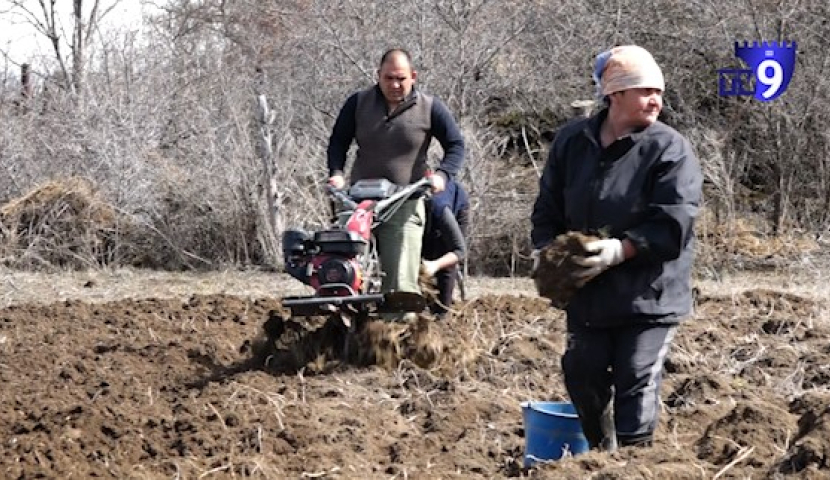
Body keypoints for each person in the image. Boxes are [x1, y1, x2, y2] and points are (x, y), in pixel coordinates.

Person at [530, 45, 703, 451]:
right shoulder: (575, 141)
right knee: (580, 372)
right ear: (615, 95)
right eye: (644, 91)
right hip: (589, 291)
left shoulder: (669, 149)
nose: (656, 100)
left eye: (659, 91)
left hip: (649, 292)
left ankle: (634, 459)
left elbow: (674, 221)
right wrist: (545, 250)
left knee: (636, 375)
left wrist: (620, 250)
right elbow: (548, 205)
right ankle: (601, 452)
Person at [327, 48, 465, 317]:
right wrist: (336, 172)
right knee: (341, 269)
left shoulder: (430, 107)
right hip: (358, 200)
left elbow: (456, 145)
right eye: (388, 78)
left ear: (413, 76)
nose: (394, 85)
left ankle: (397, 336)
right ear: (378, 76)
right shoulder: (358, 103)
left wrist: (443, 175)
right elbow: (338, 142)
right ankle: (343, 328)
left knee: (401, 279)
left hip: (406, 200)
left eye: (401, 78)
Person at [421, 178, 470, 317]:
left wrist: (434, 265)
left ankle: (442, 313)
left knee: (445, 261)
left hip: (454, 207)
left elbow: (459, 251)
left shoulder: (439, 209)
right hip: (425, 222)